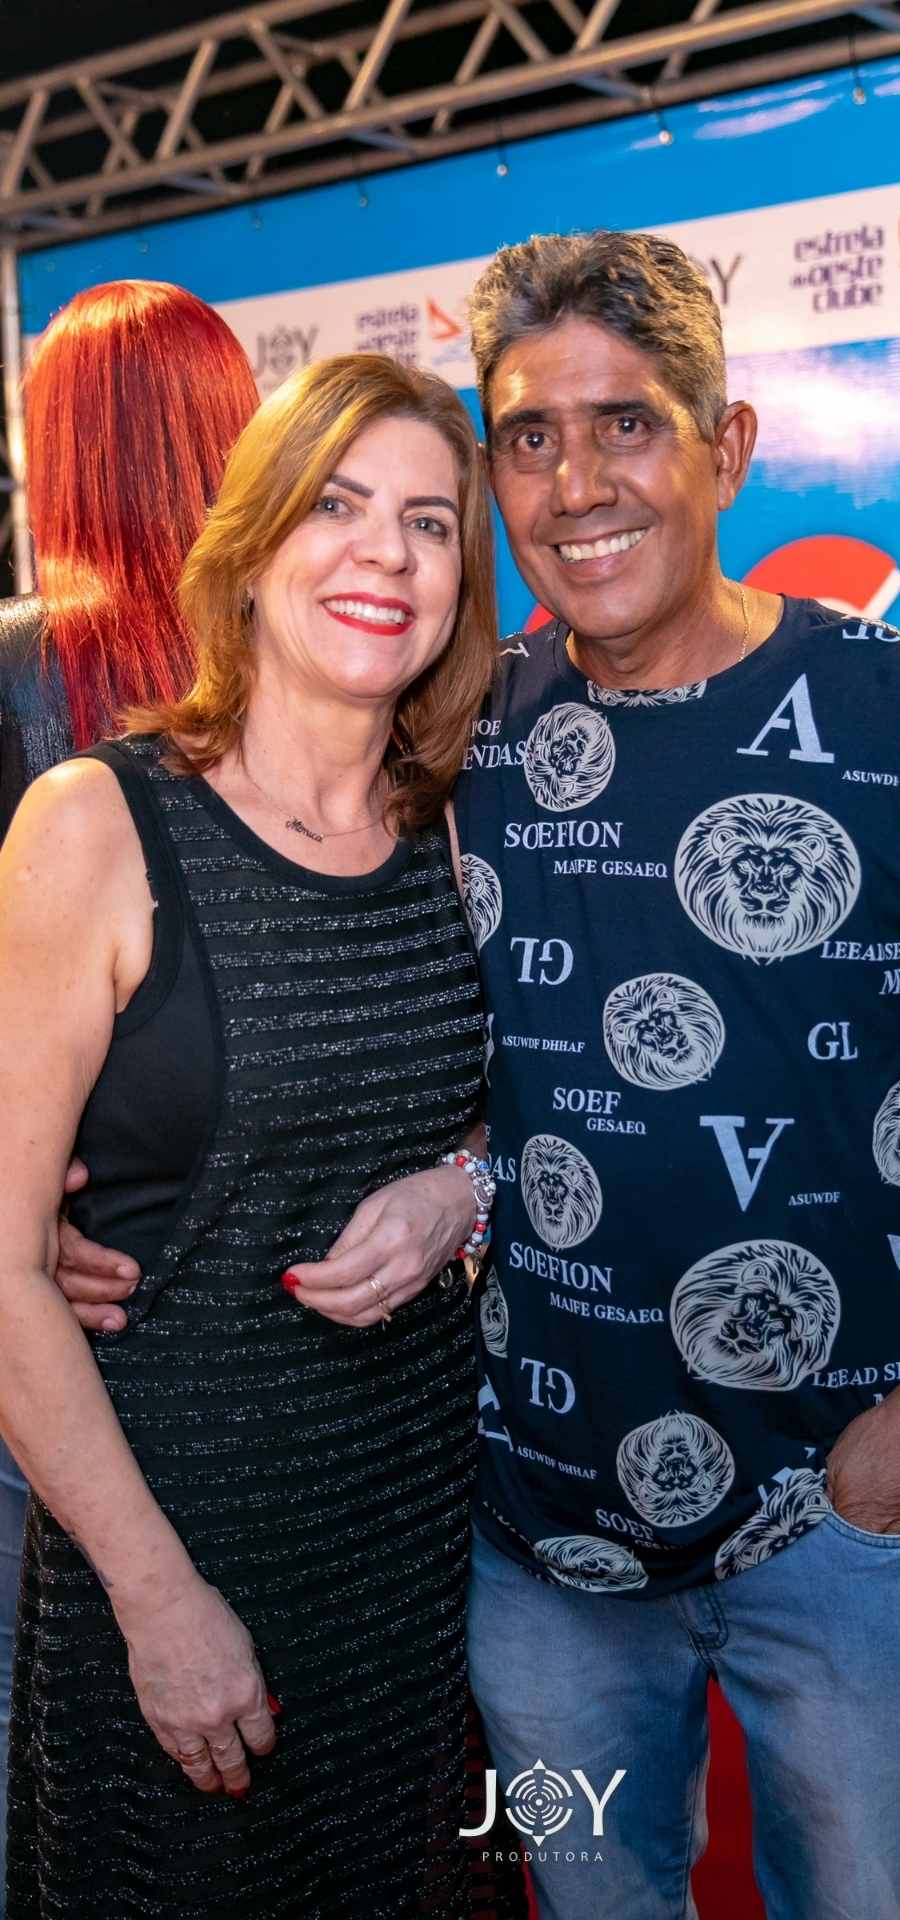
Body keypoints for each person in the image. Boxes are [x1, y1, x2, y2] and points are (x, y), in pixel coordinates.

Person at [59, 233, 900, 1918]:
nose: (577, 483)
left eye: (627, 426)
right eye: (529, 436)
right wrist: (82, 1193)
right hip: (540, 1553)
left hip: (850, 1528)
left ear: (728, 448)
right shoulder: (472, 731)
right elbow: (381, 1025)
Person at [0, 350, 497, 1917]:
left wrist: (464, 1187)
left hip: (425, 1559)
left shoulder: (464, 826)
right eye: (337, 505)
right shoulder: (96, 825)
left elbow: (530, 1117)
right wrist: (158, 1603)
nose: (384, 554)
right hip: (175, 1562)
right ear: (254, 540)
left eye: (428, 522)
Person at [0, 278, 258, 1911]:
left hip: (52, 1319)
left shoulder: (24, 667)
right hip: (264, 1311)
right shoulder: (304, 666)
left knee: (53, 1760)